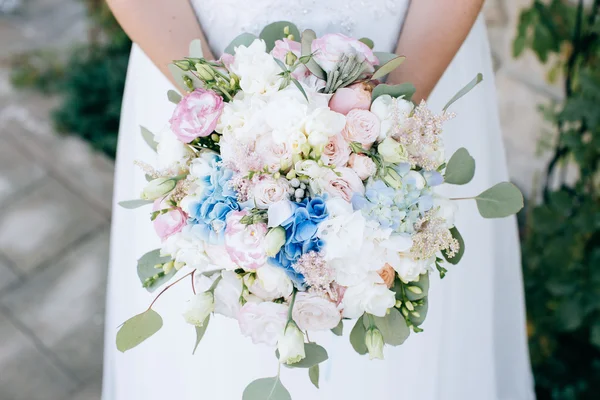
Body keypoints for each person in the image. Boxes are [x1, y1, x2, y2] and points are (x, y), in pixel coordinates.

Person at [103, 1, 535, 399]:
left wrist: (383, 122)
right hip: (190, 48)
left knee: (396, 282)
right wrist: (220, 116)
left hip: (416, 54)